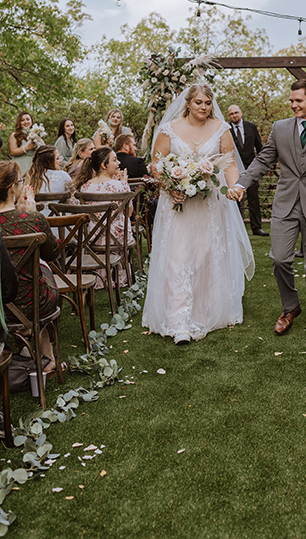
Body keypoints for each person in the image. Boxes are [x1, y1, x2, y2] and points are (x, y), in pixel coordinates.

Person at [229, 77, 306, 345]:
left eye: (299, 100)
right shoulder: (280, 129)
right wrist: (241, 183)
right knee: (279, 258)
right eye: (291, 100)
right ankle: (291, 305)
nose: (293, 105)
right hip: (285, 204)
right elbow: (263, 159)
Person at [142, 84, 254, 345]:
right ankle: (179, 320)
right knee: (178, 256)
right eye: (199, 103)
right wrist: (172, 187)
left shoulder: (221, 129)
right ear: (188, 104)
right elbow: (157, 166)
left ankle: (204, 311)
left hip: (210, 204)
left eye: (207, 103)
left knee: (205, 256)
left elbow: (229, 165)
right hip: (178, 205)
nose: (203, 107)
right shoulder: (168, 130)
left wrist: (236, 187)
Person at [0, 161, 61, 373]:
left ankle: (25, 335)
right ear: (11, 188)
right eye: (20, 181)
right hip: (32, 301)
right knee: (42, 270)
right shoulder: (33, 219)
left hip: (1, 305)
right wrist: (33, 214)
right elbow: (53, 254)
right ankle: (48, 358)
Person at [74, 147, 133, 288]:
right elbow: (129, 213)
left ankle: (99, 276)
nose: (118, 162)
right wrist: (124, 183)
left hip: (93, 237)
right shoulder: (121, 186)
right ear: (104, 165)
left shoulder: (85, 187)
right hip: (117, 238)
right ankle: (120, 275)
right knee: (122, 221)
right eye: (114, 160)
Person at [227, 105, 268, 236]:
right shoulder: (226, 130)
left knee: (253, 199)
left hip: (251, 170)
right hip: (234, 170)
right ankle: (238, 229)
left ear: (241, 112)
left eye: (236, 112)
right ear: (229, 116)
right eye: (231, 114)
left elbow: (260, 148)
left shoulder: (251, 127)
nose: (234, 115)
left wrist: (260, 167)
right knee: (235, 200)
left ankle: (257, 228)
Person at [8, 112, 45, 176]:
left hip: (34, 166)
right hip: (21, 165)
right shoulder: (15, 135)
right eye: (22, 120)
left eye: (28, 119)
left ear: (31, 121)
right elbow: (12, 152)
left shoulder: (36, 135)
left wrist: (37, 145)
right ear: (19, 122)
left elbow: (45, 149)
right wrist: (27, 147)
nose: (26, 122)